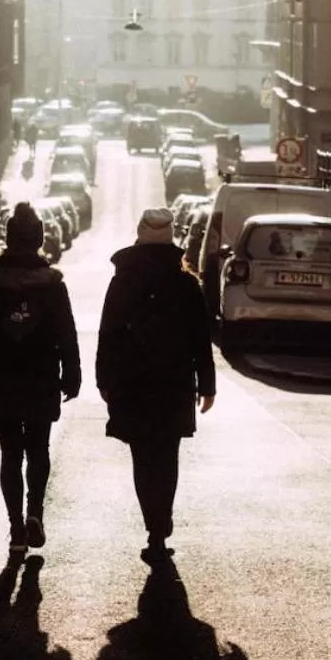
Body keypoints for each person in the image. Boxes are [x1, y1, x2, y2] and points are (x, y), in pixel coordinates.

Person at [95, 207, 216, 563]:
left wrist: (104, 378)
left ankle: (153, 524)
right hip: (174, 380)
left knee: (142, 455)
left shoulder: (123, 280)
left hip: (132, 380)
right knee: (168, 454)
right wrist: (207, 384)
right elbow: (200, 338)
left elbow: (108, 333)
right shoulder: (185, 283)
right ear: (171, 236)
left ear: (139, 234)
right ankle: (162, 518)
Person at [0, 202, 81, 554]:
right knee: (39, 448)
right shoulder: (52, 285)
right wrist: (72, 374)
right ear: (39, 239)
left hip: (1, 375)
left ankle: (15, 527)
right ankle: (36, 514)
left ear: (9, 238)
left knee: (10, 452)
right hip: (41, 374)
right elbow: (66, 334)